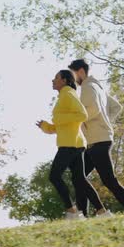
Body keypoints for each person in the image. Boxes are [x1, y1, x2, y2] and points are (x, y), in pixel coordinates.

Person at [36, 70, 110, 220]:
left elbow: (82, 115)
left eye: (56, 77)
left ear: (64, 80)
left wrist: (58, 118)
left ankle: (72, 211)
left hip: (70, 144)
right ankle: (102, 212)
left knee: (55, 176)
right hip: (75, 143)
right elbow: (61, 125)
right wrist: (45, 126)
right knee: (79, 179)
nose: (53, 80)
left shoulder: (68, 93)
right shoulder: (64, 96)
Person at [68, 59, 124, 216]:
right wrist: (105, 122)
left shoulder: (87, 87)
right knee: (78, 175)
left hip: (98, 140)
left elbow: (93, 109)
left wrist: (79, 119)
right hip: (98, 139)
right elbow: (116, 107)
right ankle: (82, 214)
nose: (73, 79)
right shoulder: (98, 87)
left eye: (73, 74)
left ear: (80, 71)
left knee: (108, 180)